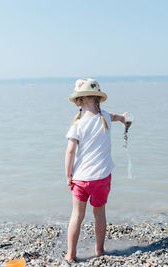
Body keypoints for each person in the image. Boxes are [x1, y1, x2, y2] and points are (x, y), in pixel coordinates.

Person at [64, 78, 128, 261]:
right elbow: (115, 116)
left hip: (81, 179)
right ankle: (99, 250)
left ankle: (71, 254)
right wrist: (124, 119)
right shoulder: (105, 117)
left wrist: (68, 175)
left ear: (79, 101)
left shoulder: (77, 125)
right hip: (101, 178)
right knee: (99, 214)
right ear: (97, 98)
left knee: (77, 215)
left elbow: (70, 151)